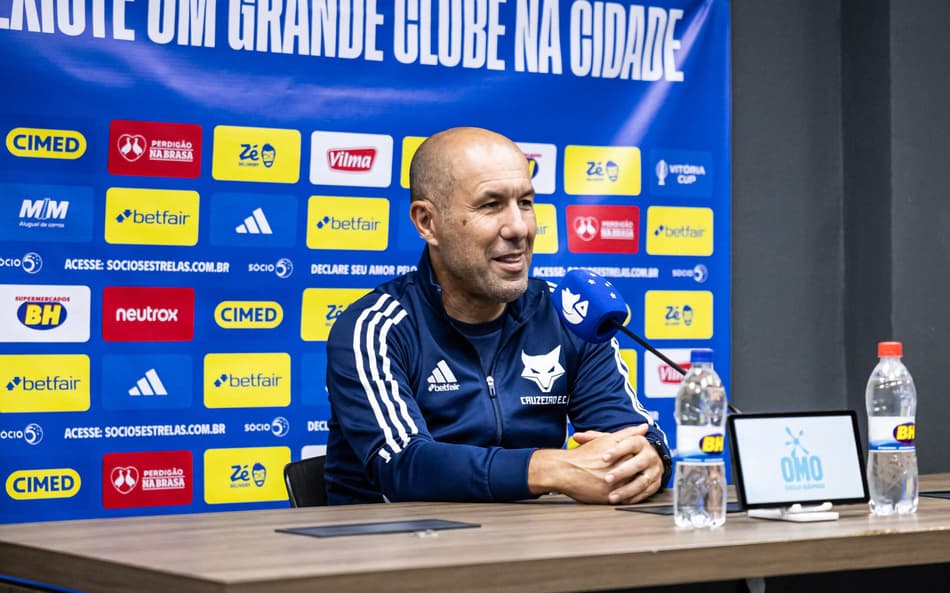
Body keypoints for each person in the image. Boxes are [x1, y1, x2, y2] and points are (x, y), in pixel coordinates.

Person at [323, 125, 671, 505]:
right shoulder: (375, 327)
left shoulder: (566, 313)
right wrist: (552, 469)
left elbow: (628, 433)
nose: (519, 227)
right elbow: (405, 465)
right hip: (392, 551)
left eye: (525, 202)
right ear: (427, 222)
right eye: (490, 205)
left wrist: (650, 458)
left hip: (526, 548)